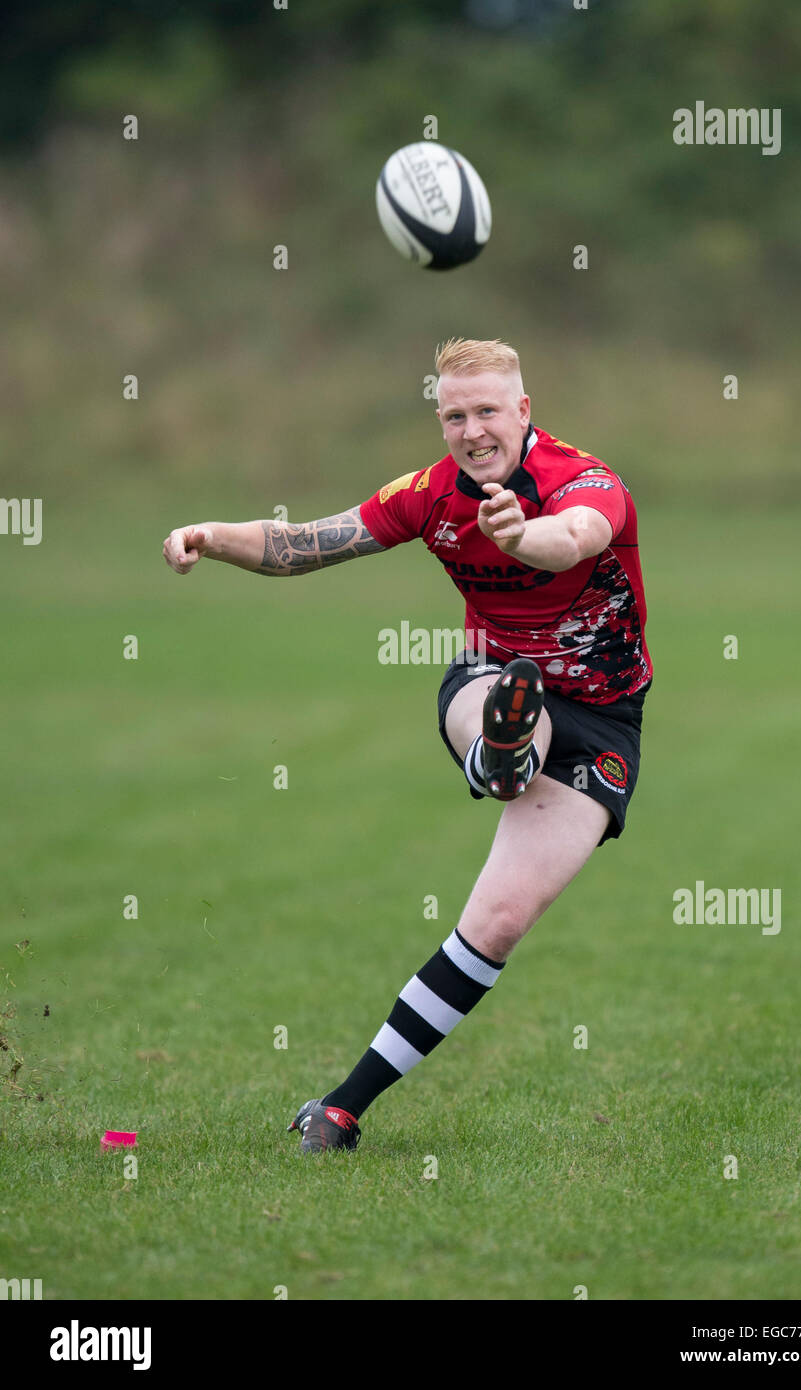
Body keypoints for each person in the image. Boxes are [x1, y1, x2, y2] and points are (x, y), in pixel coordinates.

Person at [162, 337, 652, 1153]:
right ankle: (500, 754)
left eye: (488, 410)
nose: (472, 430)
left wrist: (518, 535)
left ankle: (341, 1108)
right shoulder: (427, 494)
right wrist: (212, 534)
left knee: (495, 923)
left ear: (522, 410)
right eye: (455, 415)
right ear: (440, 418)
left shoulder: (585, 481)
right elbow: (311, 542)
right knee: (497, 698)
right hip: (494, 675)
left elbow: (573, 539)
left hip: (602, 719)